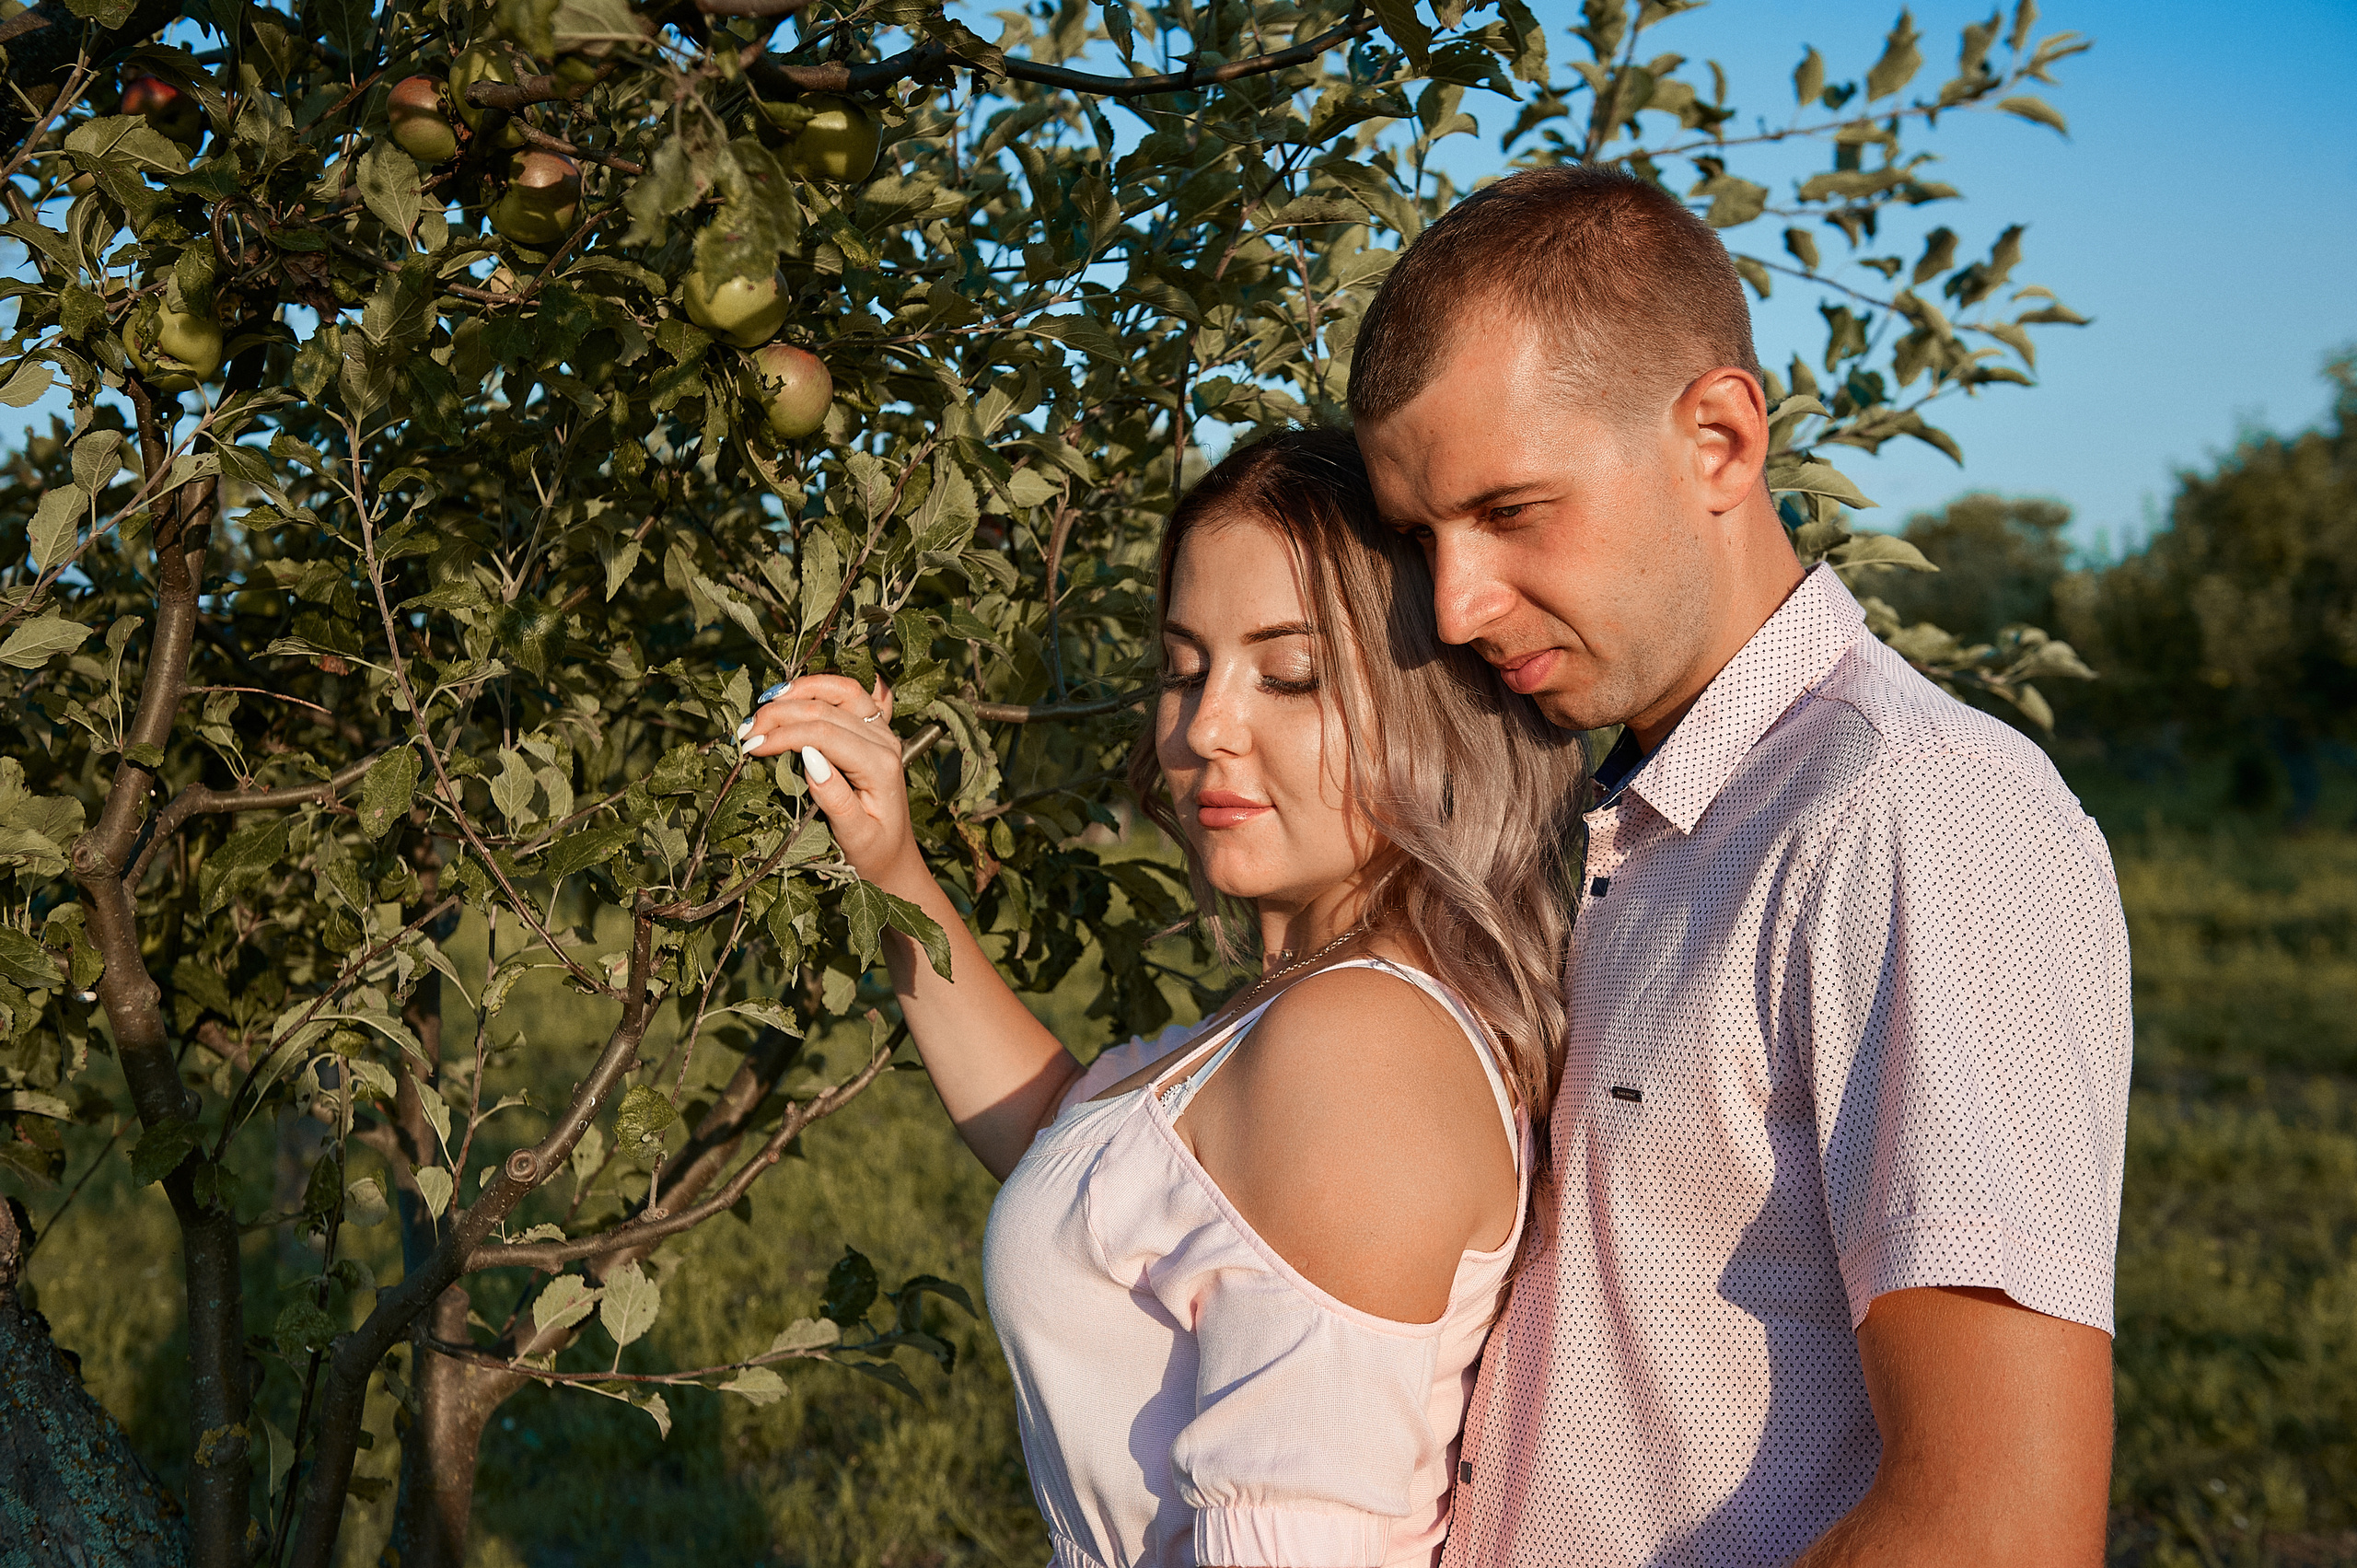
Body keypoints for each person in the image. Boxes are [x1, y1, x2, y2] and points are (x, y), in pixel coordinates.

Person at [1349, 165, 2133, 1567]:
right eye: (1422, 537)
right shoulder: (1598, 819)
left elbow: (1996, 1522)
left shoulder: (1913, 817)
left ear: (1718, 436)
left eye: (1513, 511)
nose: (1456, 604)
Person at [738, 429, 1589, 1568]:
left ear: (1430, 710)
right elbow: (1082, 1156)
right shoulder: (1315, 1007)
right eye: (1185, 667)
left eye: (1290, 674)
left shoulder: (1356, 1047)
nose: (1202, 728)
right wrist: (894, 871)